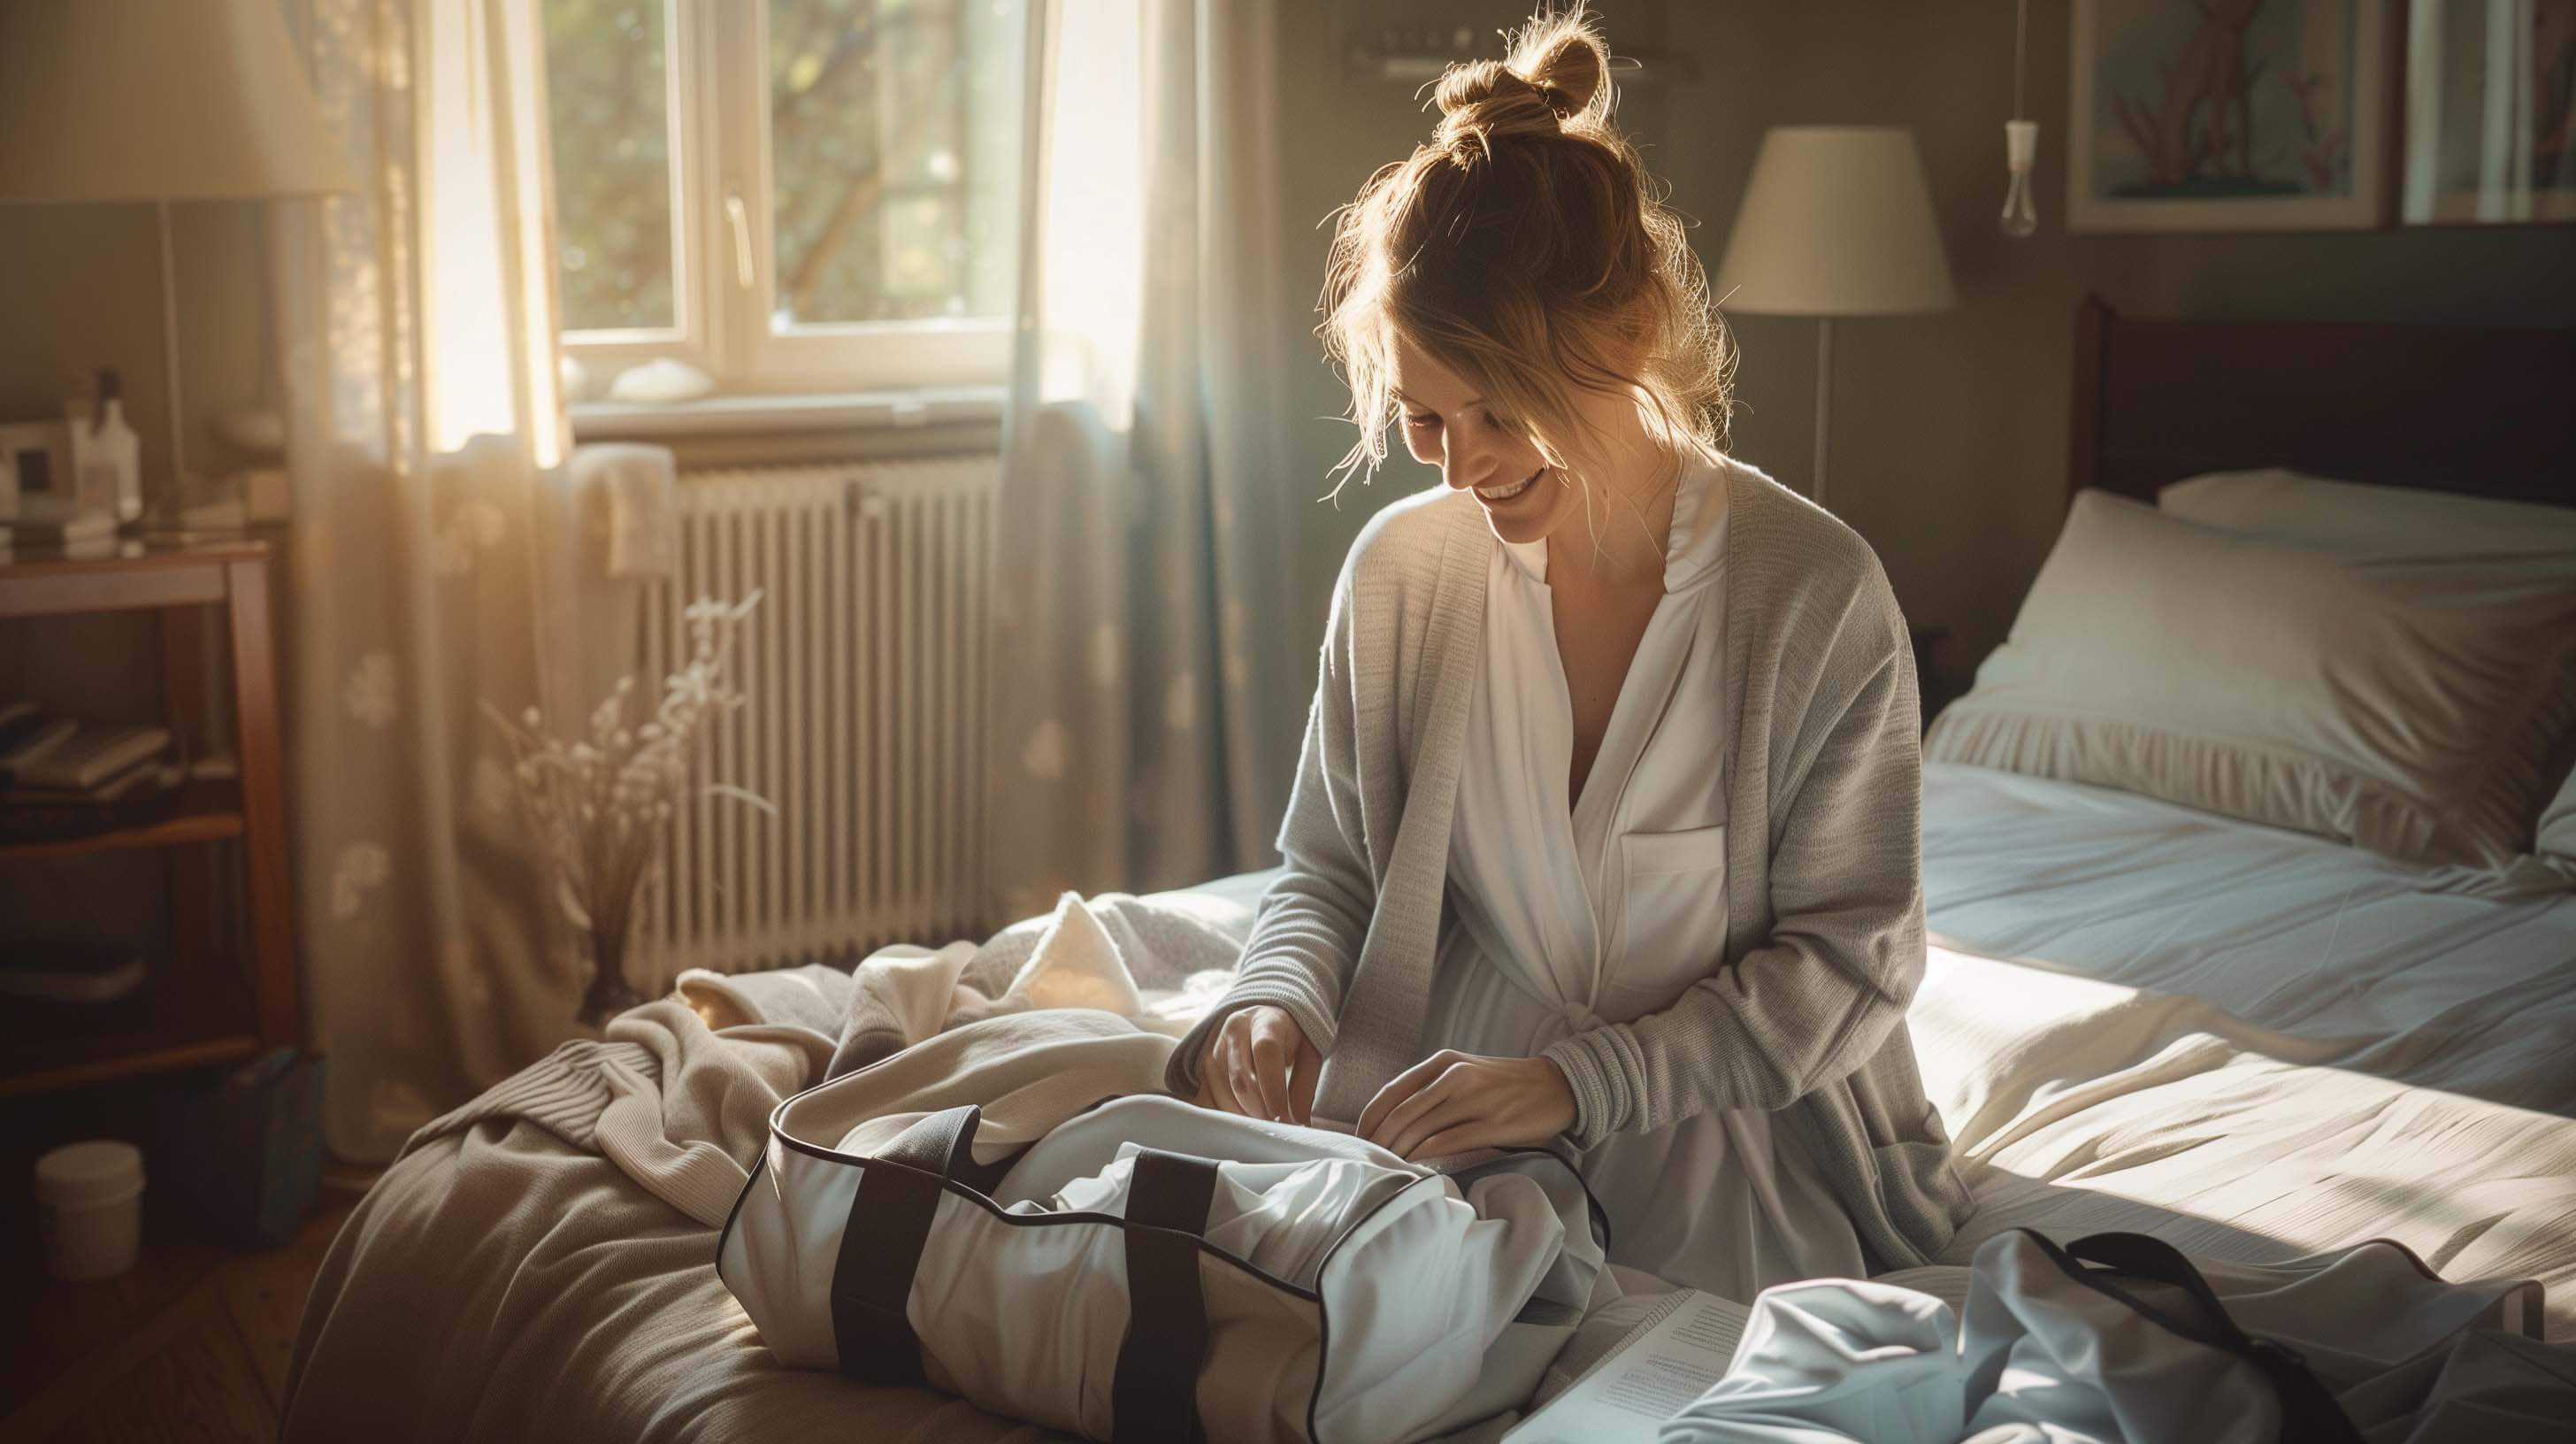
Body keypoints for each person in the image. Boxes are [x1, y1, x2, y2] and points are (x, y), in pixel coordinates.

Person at [1165, 4, 1971, 1296]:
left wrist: (1577, 1087)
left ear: (1633, 331)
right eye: (1427, 421)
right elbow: (1330, 871)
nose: (1467, 466)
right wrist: (1276, 1003)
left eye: (1508, 411)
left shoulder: (1814, 595)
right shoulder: (1402, 578)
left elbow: (1852, 962)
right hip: (1446, 1099)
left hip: (1725, 1119)